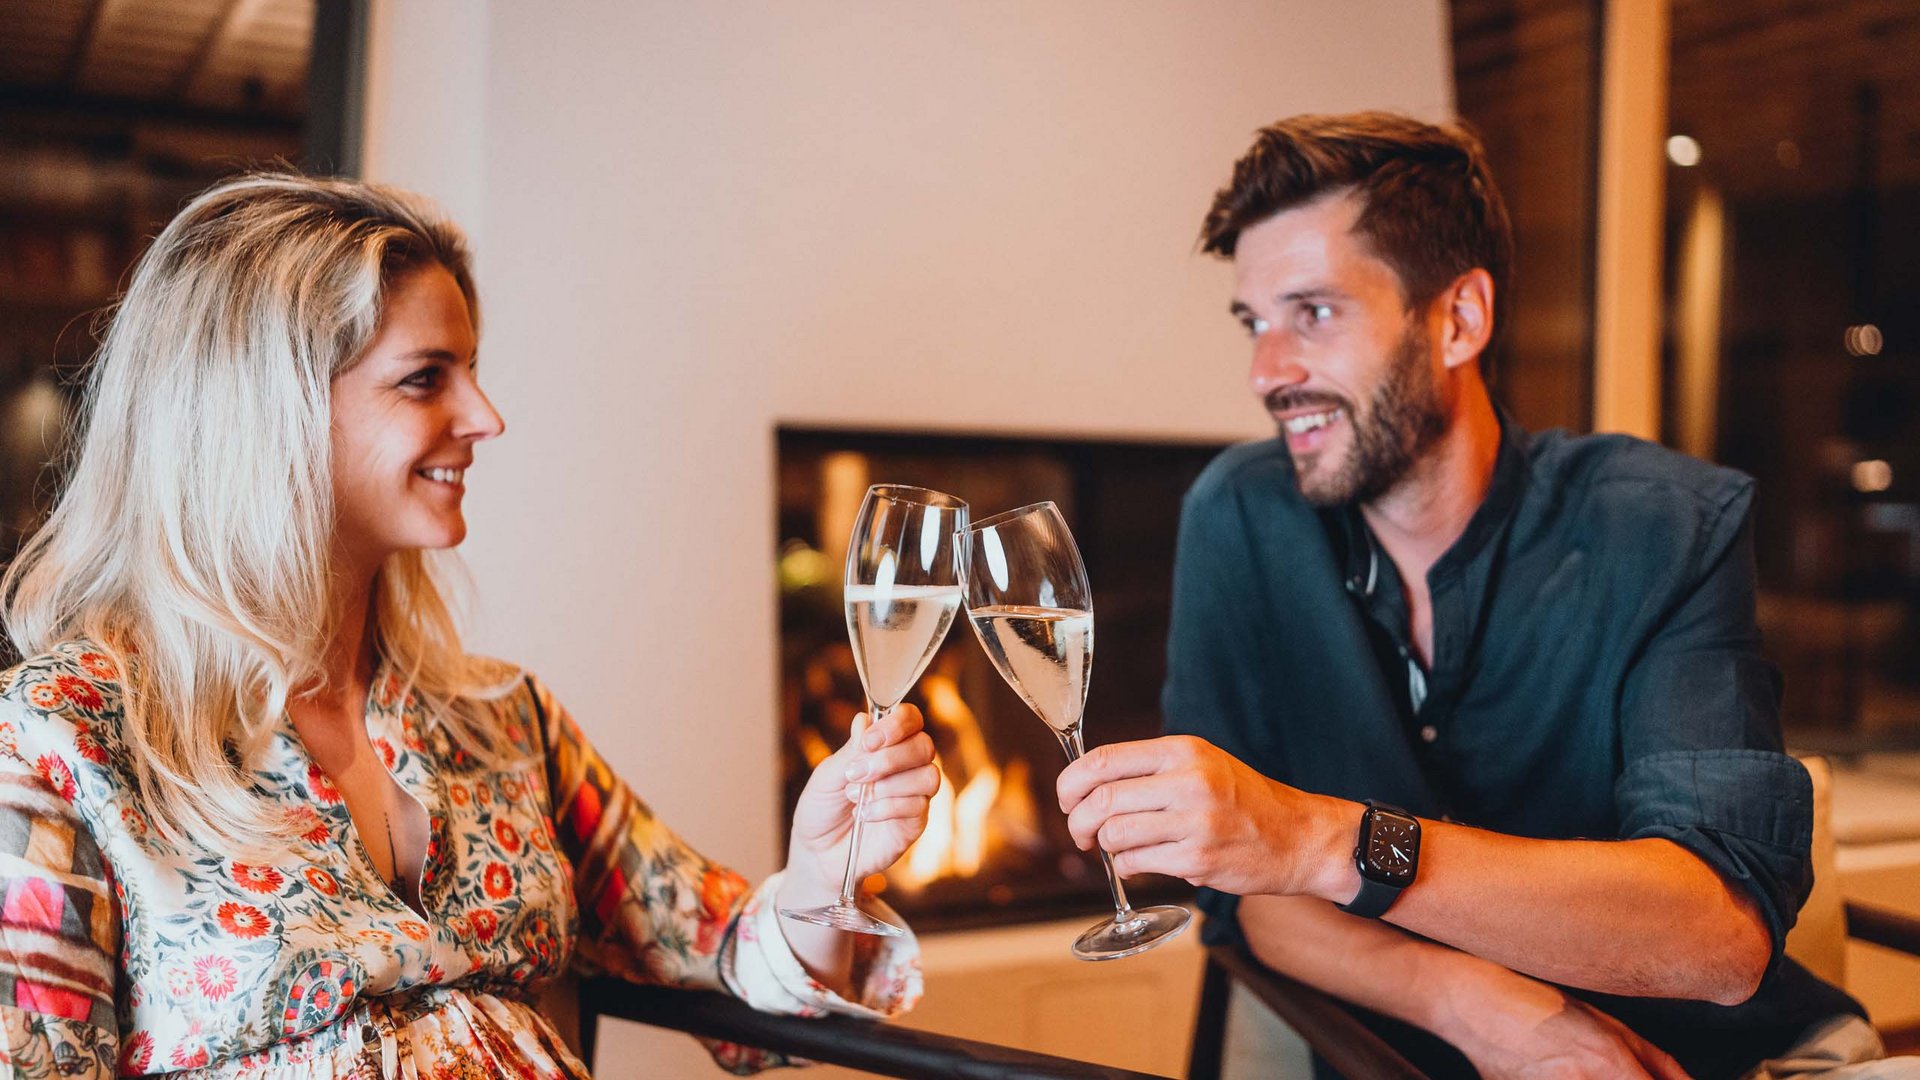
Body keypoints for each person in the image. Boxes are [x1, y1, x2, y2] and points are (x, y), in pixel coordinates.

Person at [0, 173, 938, 1078]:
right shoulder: (61, 741)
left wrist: (821, 875)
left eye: (472, 374)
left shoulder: (501, 719)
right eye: (424, 380)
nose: (484, 418)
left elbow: (724, 950)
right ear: (264, 411)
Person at [1055, 113, 1915, 1079]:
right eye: (1256, 323)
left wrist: (1321, 838)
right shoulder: (1242, 517)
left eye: (1316, 314)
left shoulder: (1666, 524)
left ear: (1459, 318)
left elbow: (1720, 937)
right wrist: (1480, 1006)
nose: (1268, 372)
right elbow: (1249, 896)